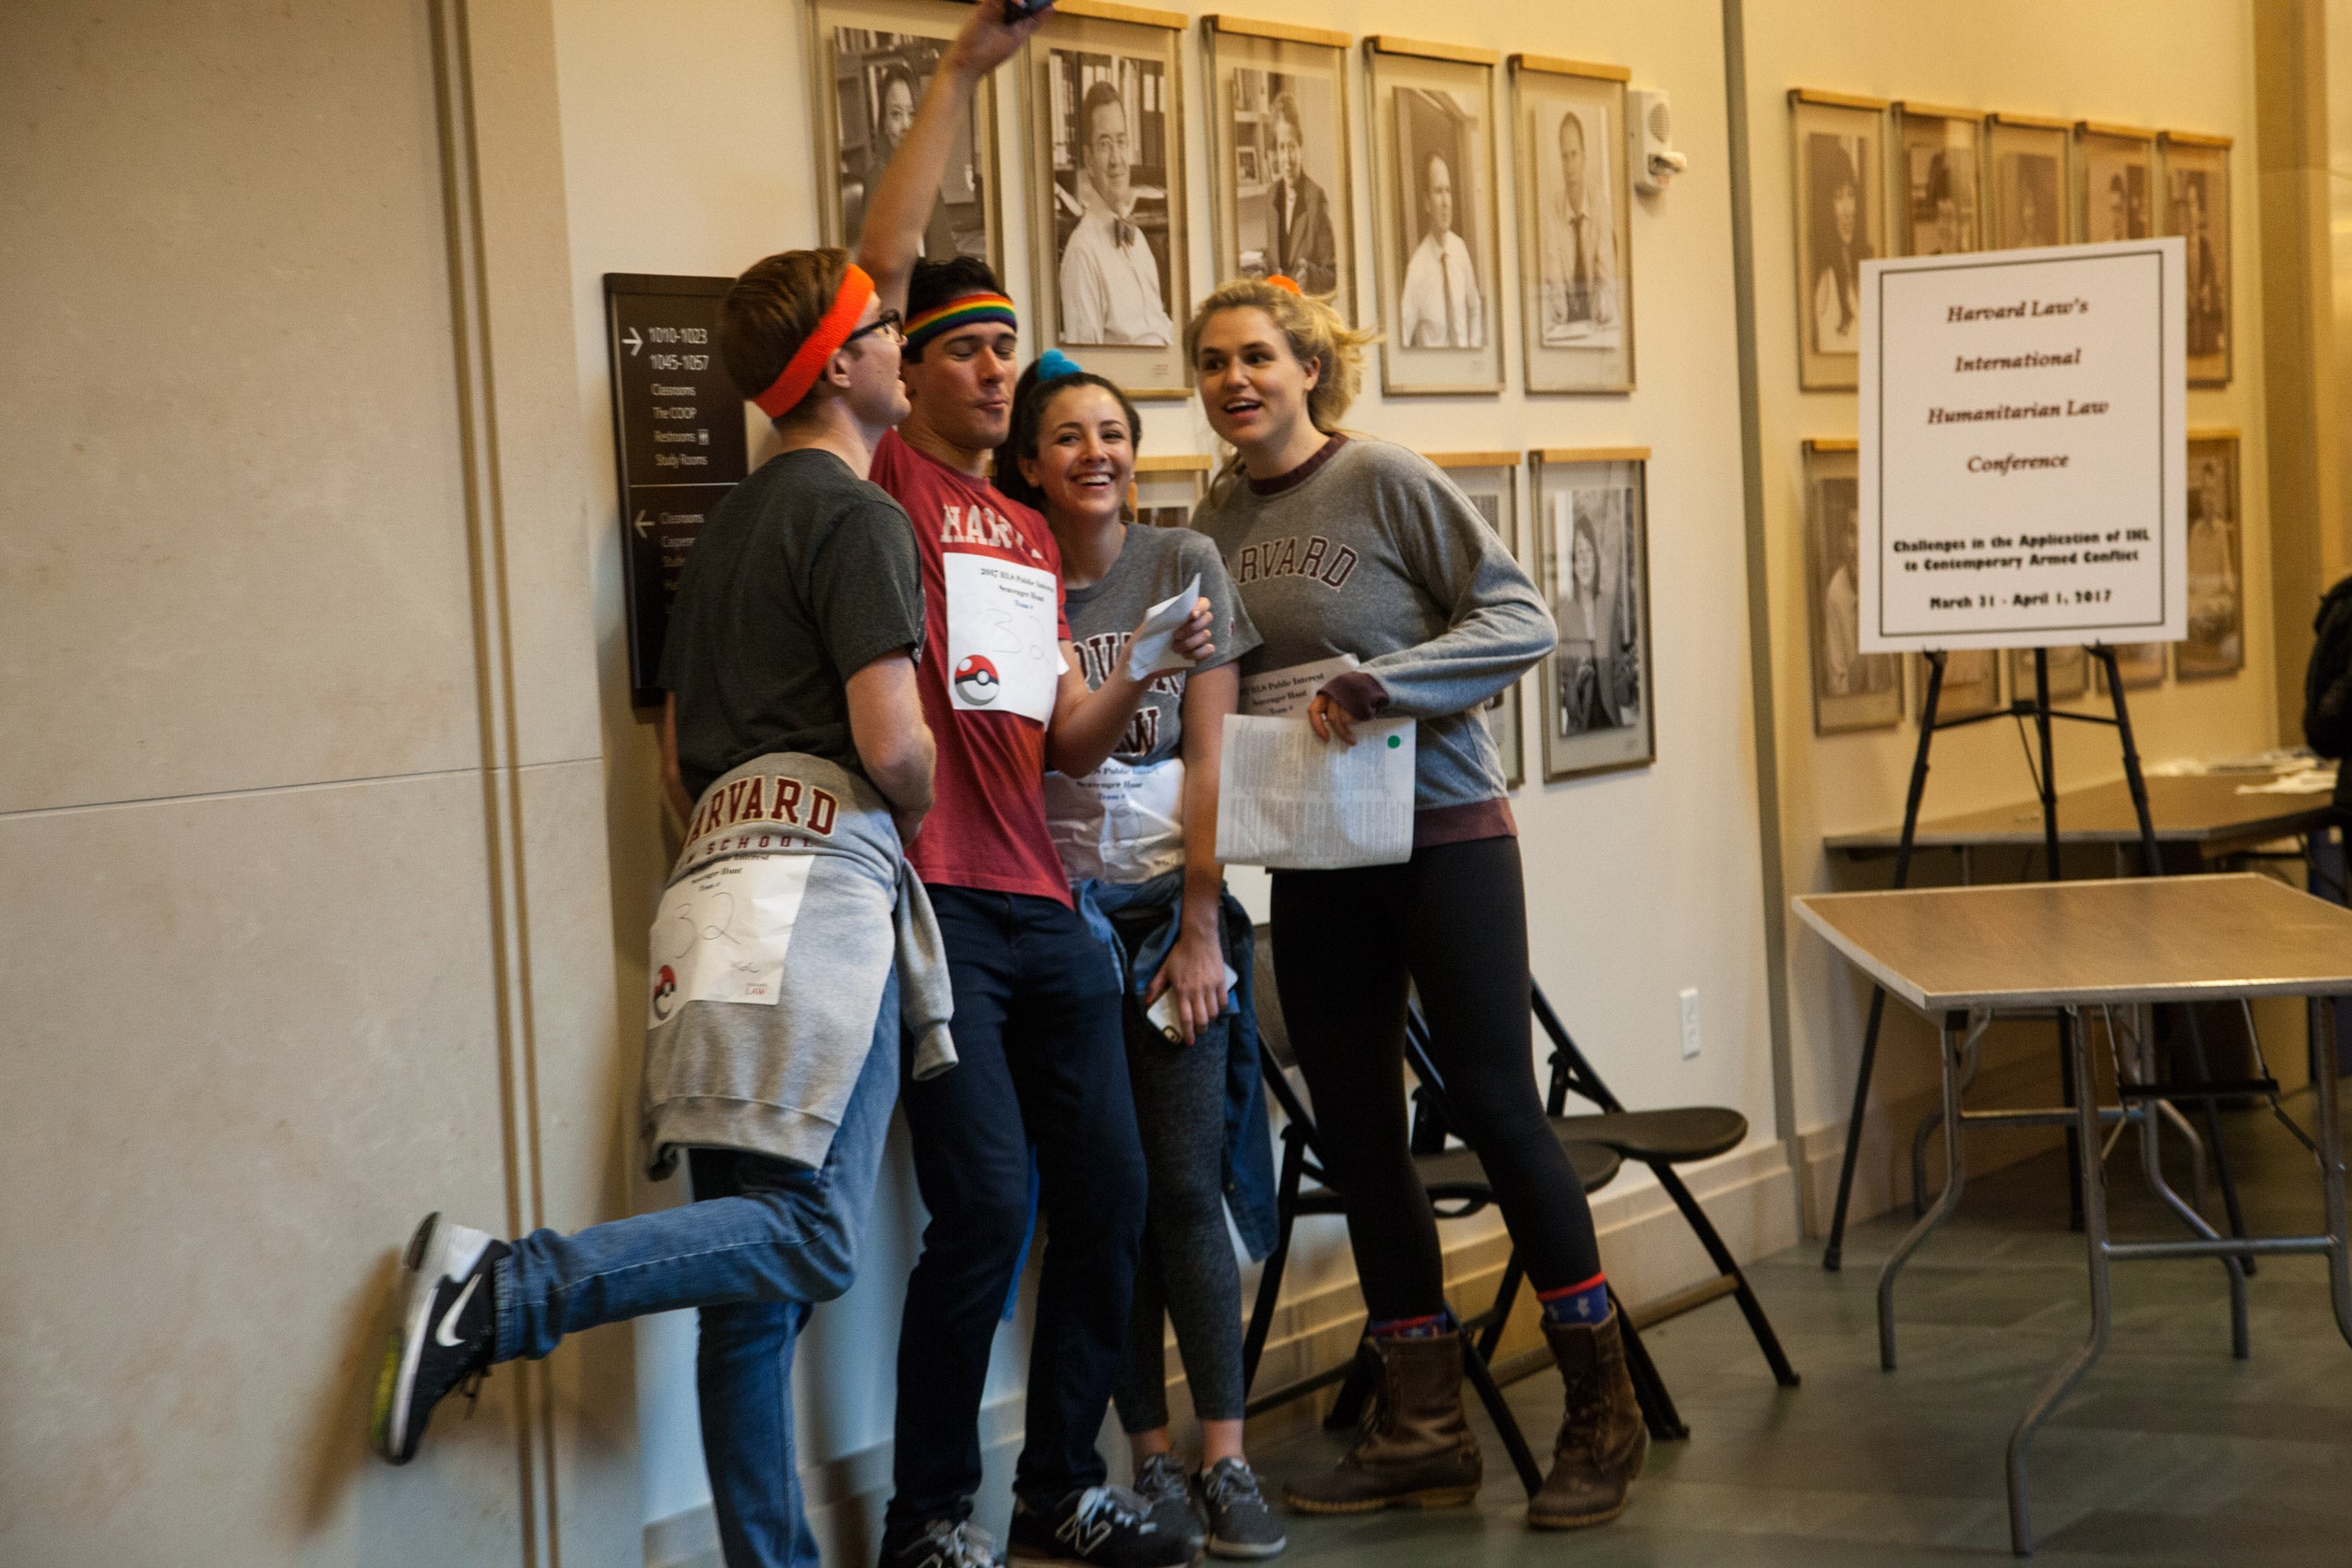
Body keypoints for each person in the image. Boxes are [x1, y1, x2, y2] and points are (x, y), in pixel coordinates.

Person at [369, 246, 945, 1568]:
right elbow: (894, 739)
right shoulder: (859, 519)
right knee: (807, 1237)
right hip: (821, 888)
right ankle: (505, 1288)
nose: (900, 340)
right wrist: (902, 812)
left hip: (717, 885)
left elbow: (676, 752)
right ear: (845, 365)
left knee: (750, 1300)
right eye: (883, 326)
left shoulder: (732, 521)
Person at [1184, 276, 1646, 1531]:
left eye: (1260, 359)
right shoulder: (1215, 517)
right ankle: (1422, 1427)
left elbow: (1522, 617)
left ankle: (1601, 1412)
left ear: (1308, 369)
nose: (1236, 381)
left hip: (1444, 836)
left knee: (1494, 1101)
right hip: (1318, 852)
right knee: (1354, 1126)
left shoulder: (1383, 478)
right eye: (1215, 363)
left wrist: (1385, 682)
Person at [852, 7, 1221, 1565]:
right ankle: (929, 1515)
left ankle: (1057, 1491)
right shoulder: (894, 483)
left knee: (1114, 1202)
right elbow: (871, 270)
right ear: (907, 375)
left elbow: (1063, 735)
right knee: (988, 1215)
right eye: (966, 349)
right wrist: (960, 78)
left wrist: (1146, 666)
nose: (995, 368)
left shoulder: (1011, 532)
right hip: (937, 915)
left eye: (1011, 346)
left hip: (1048, 910)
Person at [995, 350, 1287, 1561]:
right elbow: (1050, 757)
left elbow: (1211, 761)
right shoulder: (1009, 580)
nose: (1095, 453)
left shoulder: (1185, 564)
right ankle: (1145, 1459)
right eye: (1067, 436)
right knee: (1094, 1202)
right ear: (1027, 464)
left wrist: (1206, 929)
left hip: (1175, 920)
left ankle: (1223, 1457)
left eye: (1112, 432)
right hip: (1057, 932)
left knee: (1179, 1187)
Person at [1060, 79, 1174, 347]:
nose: (1116, 159)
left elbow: (1160, 326)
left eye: (1121, 142)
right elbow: (1088, 369)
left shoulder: (1140, 243)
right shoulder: (1082, 254)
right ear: (1088, 159)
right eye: (1104, 144)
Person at [843, 59, 958, 263]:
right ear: (885, 124)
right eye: (896, 114)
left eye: (912, 113)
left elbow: (945, 252)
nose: (906, 125)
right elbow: (887, 268)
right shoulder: (876, 181)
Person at [1537, 108, 1617, 342]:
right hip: (1567, 324)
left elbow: (1606, 273)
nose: (1570, 164)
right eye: (1564, 156)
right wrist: (1560, 307)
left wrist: (1600, 309)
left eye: (1574, 154)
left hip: (1598, 323)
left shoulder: (1600, 205)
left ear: (1584, 156)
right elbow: (1553, 274)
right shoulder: (1553, 210)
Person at [1398, 152, 1483, 348]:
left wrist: (1473, 347)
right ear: (1427, 202)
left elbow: (1475, 308)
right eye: (1438, 191)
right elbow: (1403, 336)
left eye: (1448, 191)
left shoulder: (1460, 250)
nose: (1446, 201)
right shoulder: (1417, 269)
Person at [1554, 504, 1626, 734]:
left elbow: (1622, 687)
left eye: (1588, 552)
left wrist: (1631, 674)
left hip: (1611, 724)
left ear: (1595, 559)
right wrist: (1577, 682)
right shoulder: (1564, 614)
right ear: (1573, 564)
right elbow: (1568, 696)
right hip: (1580, 728)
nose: (1584, 561)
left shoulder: (1607, 607)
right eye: (1579, 553)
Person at [1262, 90, 1336, 296]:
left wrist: (1310, 276)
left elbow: (1334, 273)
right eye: (1282, 148)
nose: (1288, 159)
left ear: (1301, 148)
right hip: (1278, 310)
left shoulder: (1316, 198)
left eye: (1292, 147)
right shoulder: (1271, 196)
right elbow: (1272, 262)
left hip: (1306, 313)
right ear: (1276, 153)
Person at [1809, 137, 1867, 354]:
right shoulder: (1826, 281)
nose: (1847, 209)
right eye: (1838, 198)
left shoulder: (1860, 268)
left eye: (1851, 195)